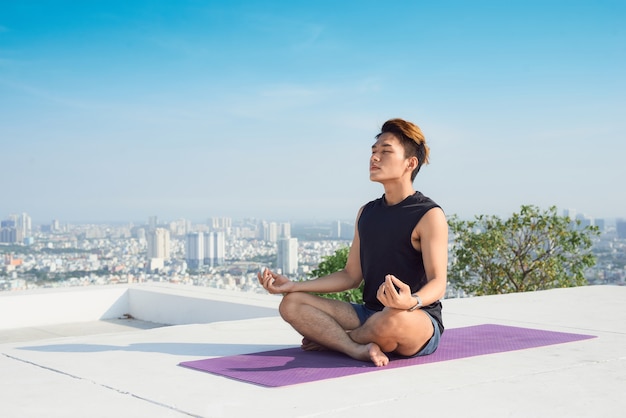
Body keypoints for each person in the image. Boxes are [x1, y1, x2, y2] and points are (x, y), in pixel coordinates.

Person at [258, 118, 448, 367]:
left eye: (385, 152)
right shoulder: (366, 212)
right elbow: (350, 276)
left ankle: (336, 341)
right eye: (373, 152)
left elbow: (438, 282)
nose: (375, 158)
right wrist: (293, 286)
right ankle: (356, 348)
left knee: (392, 319)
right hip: (369, 314)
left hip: (415, 317)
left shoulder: (428, 214)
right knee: (292, 304)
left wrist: (410, 301)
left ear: (410, 163)